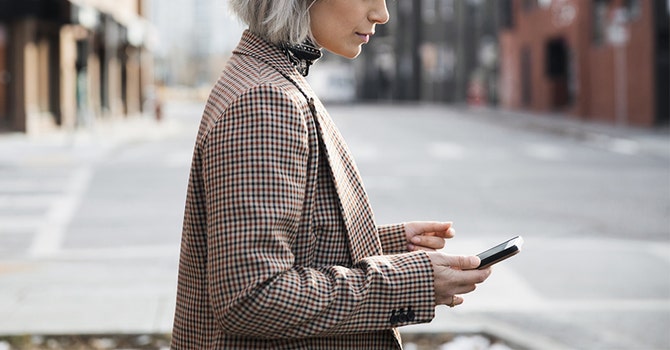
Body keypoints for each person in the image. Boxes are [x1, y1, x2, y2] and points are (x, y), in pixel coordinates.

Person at [171, 0, 492, 348]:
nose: (381, 14)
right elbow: (252, 297)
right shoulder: (265, 100)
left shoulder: (271, 79)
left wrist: (385, 244)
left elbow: (283, 249)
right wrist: (412, 281)